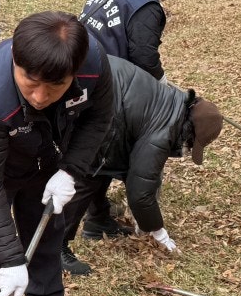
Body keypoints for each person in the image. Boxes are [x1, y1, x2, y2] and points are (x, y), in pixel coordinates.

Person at [0, 11, 114, 296]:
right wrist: (11, 259)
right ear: (15, 57)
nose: (40, 97)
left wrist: (70, 169)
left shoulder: (93, 63)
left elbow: (99, 118)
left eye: (55, 86)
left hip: (46, 144)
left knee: (46, 220)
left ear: (75, 71)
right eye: (30, 81)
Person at [59, 57, 222, 275]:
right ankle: (55, 247)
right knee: (86, 177)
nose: (186, 149)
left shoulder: (171, 103)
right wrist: (158, 231)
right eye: (190, 144)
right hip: (96, 103)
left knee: (102, 167)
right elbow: (140, 191)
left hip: (106, 96)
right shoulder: (165, 129)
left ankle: (98, 222)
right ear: (189, 131)